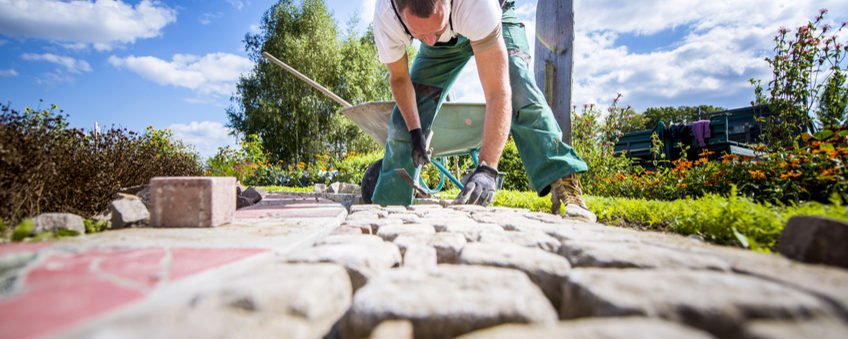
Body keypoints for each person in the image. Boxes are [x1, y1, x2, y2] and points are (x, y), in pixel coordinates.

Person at [370, 0, 595, 222]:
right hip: (442, 48)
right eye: (418, 35)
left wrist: (488, 168)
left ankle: (565, 184)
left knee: (518, 84)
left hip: (496, 19)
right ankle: (388, 207)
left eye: (435, 29)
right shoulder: (387, 16)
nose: (427, 41)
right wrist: (414, 132)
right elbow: (399, 78)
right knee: (405, 120)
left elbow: (498, 92)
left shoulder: (478, 5)